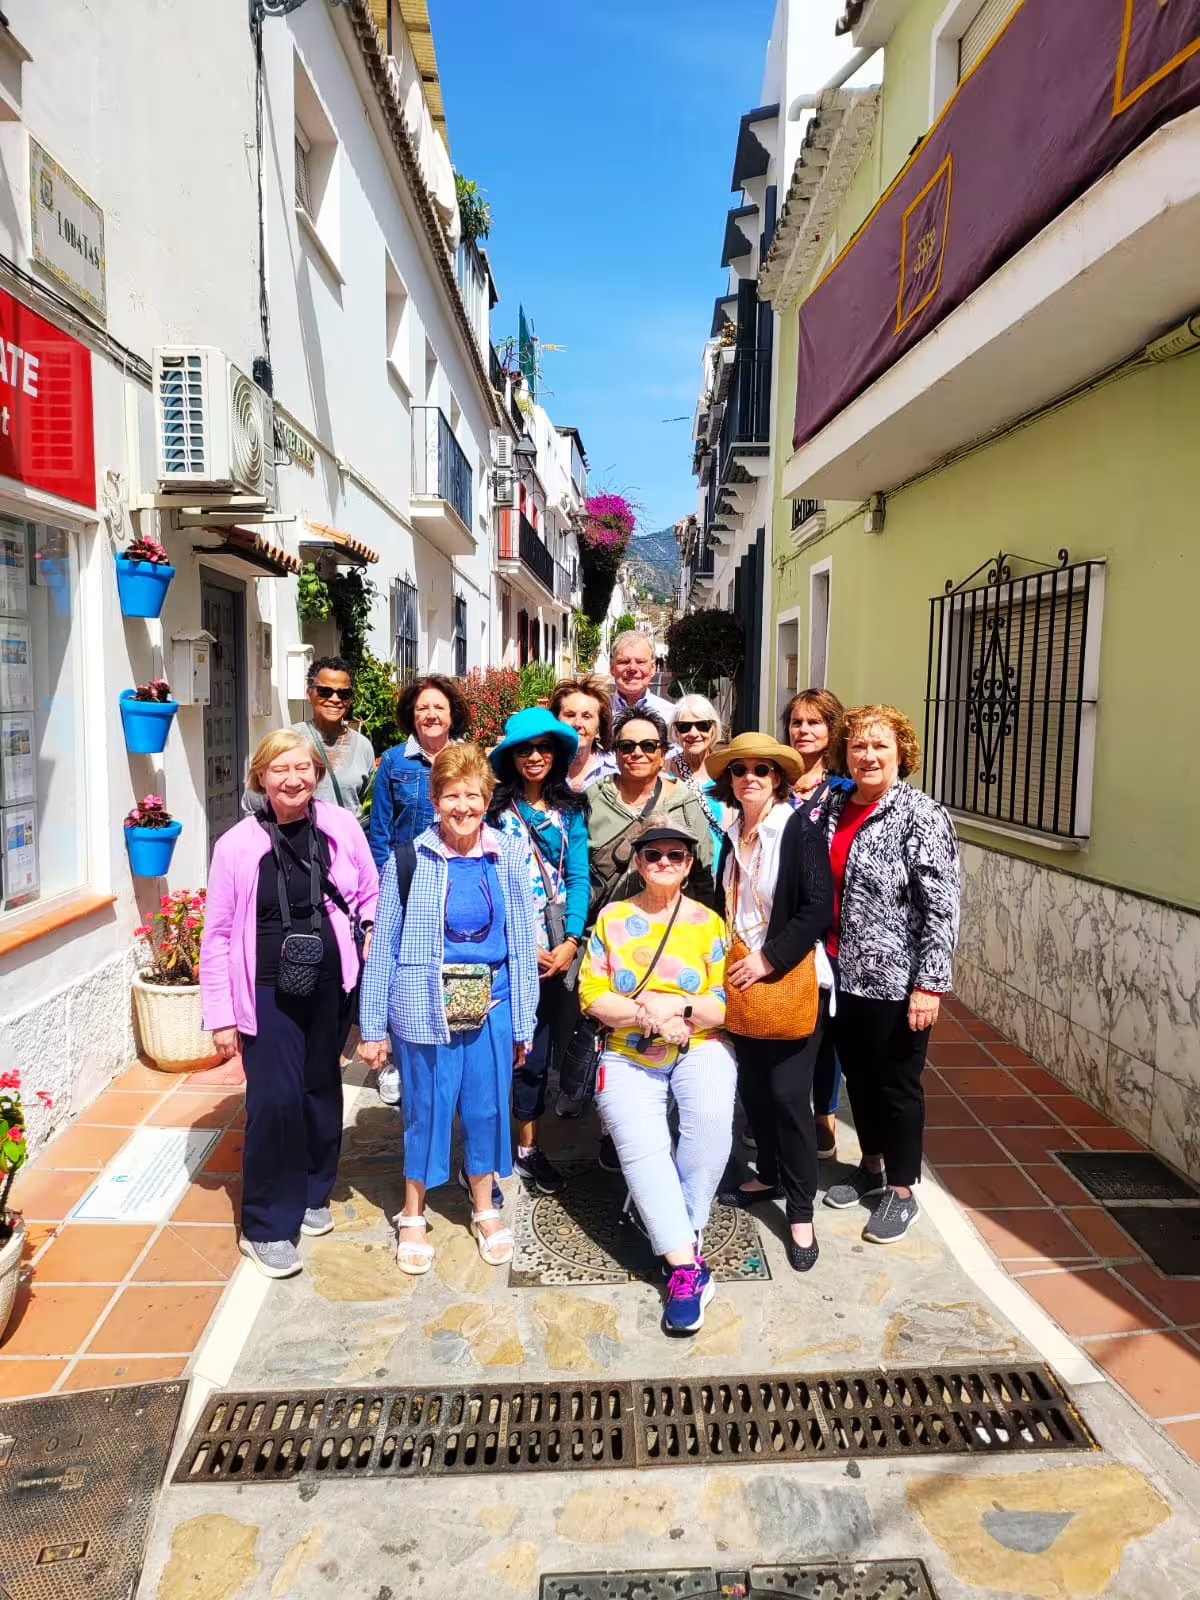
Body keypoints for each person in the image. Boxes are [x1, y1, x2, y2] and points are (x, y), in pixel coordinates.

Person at [202, 730, 379, 1279]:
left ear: (317, 775)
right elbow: (218, 934)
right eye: (280, 769)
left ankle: (312, 1188)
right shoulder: (236, 845)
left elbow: (369, 892)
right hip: (266, 990)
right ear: (261, 777)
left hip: (331, 984)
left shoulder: (341, 827)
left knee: (320, 1089)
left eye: (303, 767)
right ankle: (266, 1225)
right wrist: (221, 1015)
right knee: (275, 1102)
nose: (293, 779)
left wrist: (370, 930)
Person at [358, 745, 540, 1273]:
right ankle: (413, 1210)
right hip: (424, 1006)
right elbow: (385, 947)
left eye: (473, 795)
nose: (463, 806)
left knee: (486, 1108)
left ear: (487, 800)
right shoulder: (408, 859)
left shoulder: (505, 855)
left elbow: (523, 945)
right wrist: (373, 1026)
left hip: (493, 1003)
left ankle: (483, 1205)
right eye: (452, 795)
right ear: (435, 799)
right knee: (426, 1110)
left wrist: (523, 1021)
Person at [580, 822, 735, 1335]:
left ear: (690, 865)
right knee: (641, 1145)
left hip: (697, 1043)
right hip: (628, 1047)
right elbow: (592, 996)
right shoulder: (613, 918)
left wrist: (678, 1009)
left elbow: (722, 1006)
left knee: (710, 1128)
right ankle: (686, 1268)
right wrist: (643, 1017)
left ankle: (679, 1227)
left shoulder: (710, 924)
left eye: (675, 855)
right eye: (653, 855)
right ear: (638, 862)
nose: (664, 863)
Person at [822, 706, 960, 1244]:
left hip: (897, 979)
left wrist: (929, 984)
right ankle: (871, 1166)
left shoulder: (920, 814)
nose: (868, 755)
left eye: (880, 745)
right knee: (858, 1076)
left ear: (901, 752)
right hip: (839, 972)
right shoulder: (834, 804)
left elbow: (942, 906)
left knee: (898, 1084)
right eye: (859, 745)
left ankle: (902, 1192)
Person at [708, 734, 834, 1272]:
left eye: (762, 769)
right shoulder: (732, 831)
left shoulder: (797, 828)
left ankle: (801, 1212)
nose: (750, 777)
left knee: (788, 1096)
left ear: (778, 777)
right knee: (755, 1090)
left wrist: (769, 959)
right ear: (730, 780)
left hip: (785, 977)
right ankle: (772, 1175)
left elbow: (818, 908)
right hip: (741, 978)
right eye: (740, 770)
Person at [486, 708, 590, 1195]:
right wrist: (520, 946)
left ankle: (528, 1146)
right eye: (524, 749)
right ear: (510, 756)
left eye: (543, 748)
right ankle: (492, 1145)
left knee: (539, 1050)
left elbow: (578, 877)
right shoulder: (492, 811)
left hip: (555, 950)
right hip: (503, 950)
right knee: (507, 1050)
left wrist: (570, 941)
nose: (533, 757)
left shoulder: (571, 812)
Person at [369, 674, 472, 1109]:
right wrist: (380, 893)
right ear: (412, 717)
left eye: (438, 707)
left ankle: (450, 1043)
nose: (430, 715)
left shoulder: (469, 757)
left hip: (458, 875)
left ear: (452, 714)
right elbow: (379, 831)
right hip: (409, 879)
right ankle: (399, 1056)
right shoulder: (395, 761)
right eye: (421, 709)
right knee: (403, 967)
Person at [782, 687, 854, 1157]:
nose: (803, 730)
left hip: (832, 929)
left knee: (827, 1028)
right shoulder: (774, 782)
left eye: (814, 722)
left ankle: (824, 1113)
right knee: (787, 1020)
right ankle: (778, 1109)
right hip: (782, 924)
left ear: (831, 730)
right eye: (796, 722)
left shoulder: (845, 792)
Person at [587, 710, 716, 915]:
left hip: (670, 933)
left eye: (648, 746)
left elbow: (704, 877)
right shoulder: (593, 798)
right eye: (627, 746)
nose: (637, 753)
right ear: (616, 753)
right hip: (603, 932)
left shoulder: (684, 802)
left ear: (663, 753)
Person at [242, 656, 376, 822]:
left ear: (350, 699)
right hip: (297, 844)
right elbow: (254, 801)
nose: (335, 699)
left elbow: (364, 802)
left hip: (345, 845)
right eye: (325, 691)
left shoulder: (363, 747)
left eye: (344, 693)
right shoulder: (287, 741)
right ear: (309, 694)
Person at [666, 693, 727, 852]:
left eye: (702, 725)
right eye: (684, 727)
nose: (693, 733)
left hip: (720, 868)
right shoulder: (664, 773)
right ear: (676, 731)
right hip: (679, 867)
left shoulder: (728, 772)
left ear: (713, 729)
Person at [551, 676, 618, 792]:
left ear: (598, 730)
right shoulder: (542, 768)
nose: (577, 723)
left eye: (587, 716)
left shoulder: (615, 770)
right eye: (570, 715)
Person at [609, 628, 675, 724]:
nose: (632, 668)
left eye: (640, 662)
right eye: (624, 662)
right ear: (612, 668)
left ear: (652, 668)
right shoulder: (595, 714)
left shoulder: (670, 716)